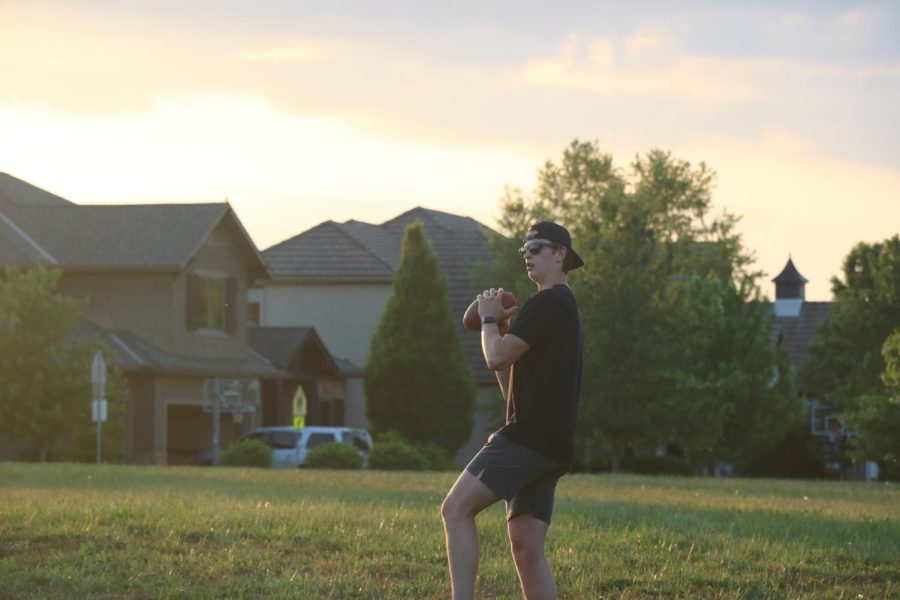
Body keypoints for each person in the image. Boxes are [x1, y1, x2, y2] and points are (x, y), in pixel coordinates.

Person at [441, 221, 585, 600]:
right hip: (551, 445)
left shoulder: (549, 301)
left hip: (530, 438)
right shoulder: (558, 307)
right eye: (524, 249)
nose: (527, 255)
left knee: (455, 509)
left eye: (536, 247)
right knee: (526, 545)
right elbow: (509, 381)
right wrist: (502, 327)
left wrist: (489, 320)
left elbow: (494, 357)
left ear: (560, 254)